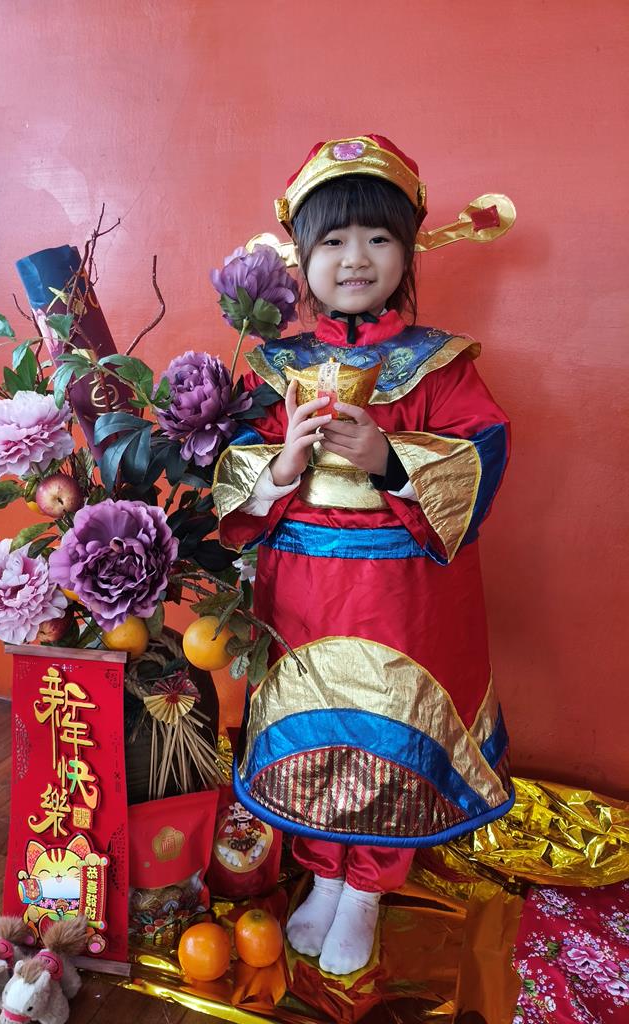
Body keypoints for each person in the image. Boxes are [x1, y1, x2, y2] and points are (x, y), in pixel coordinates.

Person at [212, 133, 514, 976]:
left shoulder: (439, 365)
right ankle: (322, 874)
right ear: (300, 256)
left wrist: (389, 458)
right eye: (334, 240)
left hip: (403, 595)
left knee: (389, 736)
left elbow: (483, 451)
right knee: (314, 731)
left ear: (409, 250)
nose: (355, 258)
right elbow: (231, 472)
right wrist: (280, 464)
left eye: (378, 238)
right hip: (302, 587)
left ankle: (369, 890)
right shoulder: (276, 368)